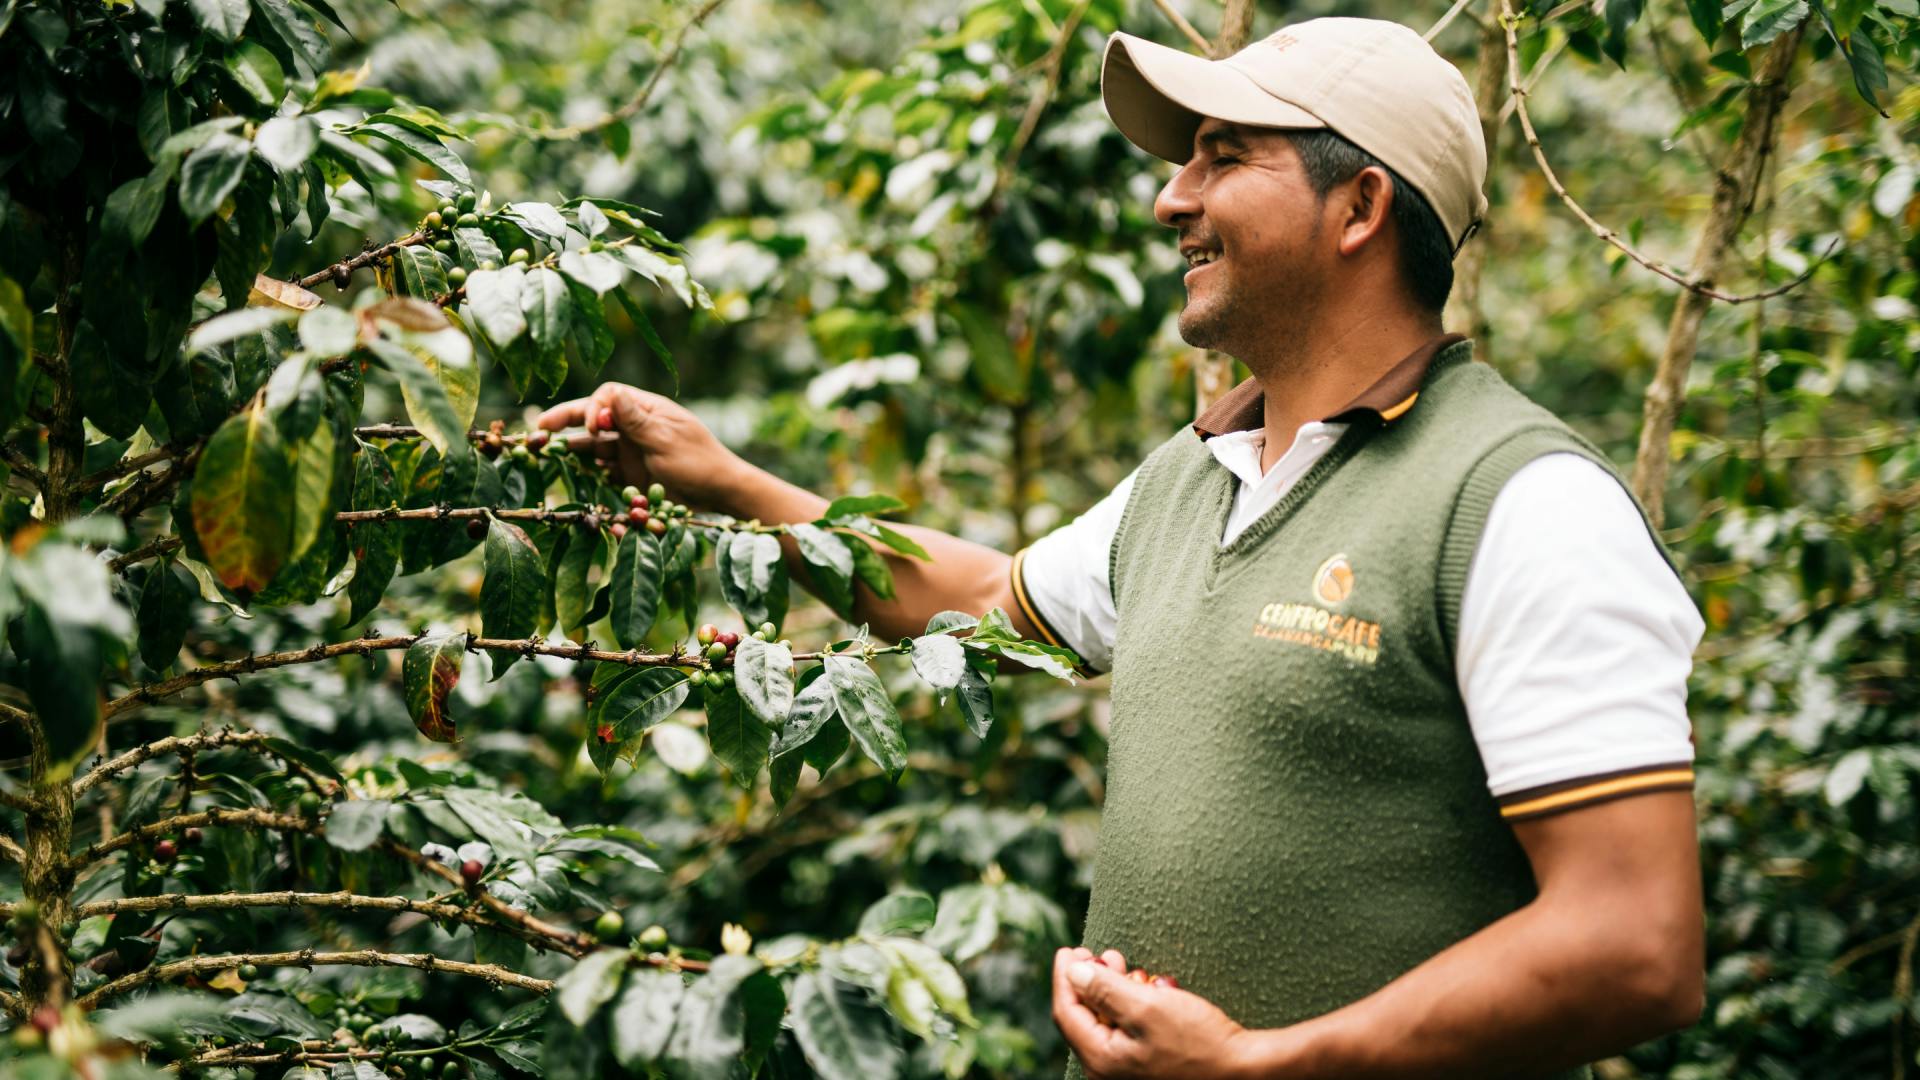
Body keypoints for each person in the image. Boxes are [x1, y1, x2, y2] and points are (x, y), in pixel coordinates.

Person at [538, 16, 1706, 1078]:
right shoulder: (1192, 479)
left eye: (1225, 156)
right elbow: (987, 596)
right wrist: (731, 483)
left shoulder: (1522, 502)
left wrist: (1263, 1068)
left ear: (1359, 210)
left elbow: (1635, 944)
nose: (1171, 199)